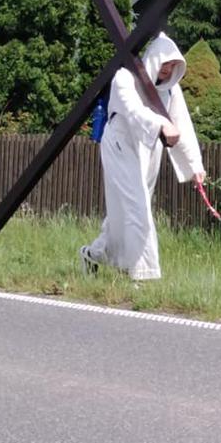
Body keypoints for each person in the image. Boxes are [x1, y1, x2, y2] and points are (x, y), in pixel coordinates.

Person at [80, 32, 206, 281]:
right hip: (120, 146)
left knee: (124, 214)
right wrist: (160, 124)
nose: (168, 72)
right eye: (165, 65)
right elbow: (133, 110)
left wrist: (194, 167)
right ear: (155, 59)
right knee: (138, 210)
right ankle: (143, 276)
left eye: (173, 67)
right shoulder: (125, 78)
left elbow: (182, 124)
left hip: (149, 153)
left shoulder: (170, 92)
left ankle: (93, 255)